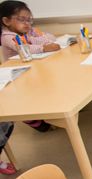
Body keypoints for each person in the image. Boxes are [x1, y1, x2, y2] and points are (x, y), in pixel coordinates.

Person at [0, 1, 53, 132]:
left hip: (31, 67)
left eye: (29, 20)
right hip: (17, 74)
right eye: (22, 19)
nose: (27, 24)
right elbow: (24, 48)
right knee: (23, 99)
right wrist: (43, 47)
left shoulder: (28, 32)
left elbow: (50, 38)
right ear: (6, 21)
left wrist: (39, 36)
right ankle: (35, 122)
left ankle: (44, 115)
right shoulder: (7, 36)